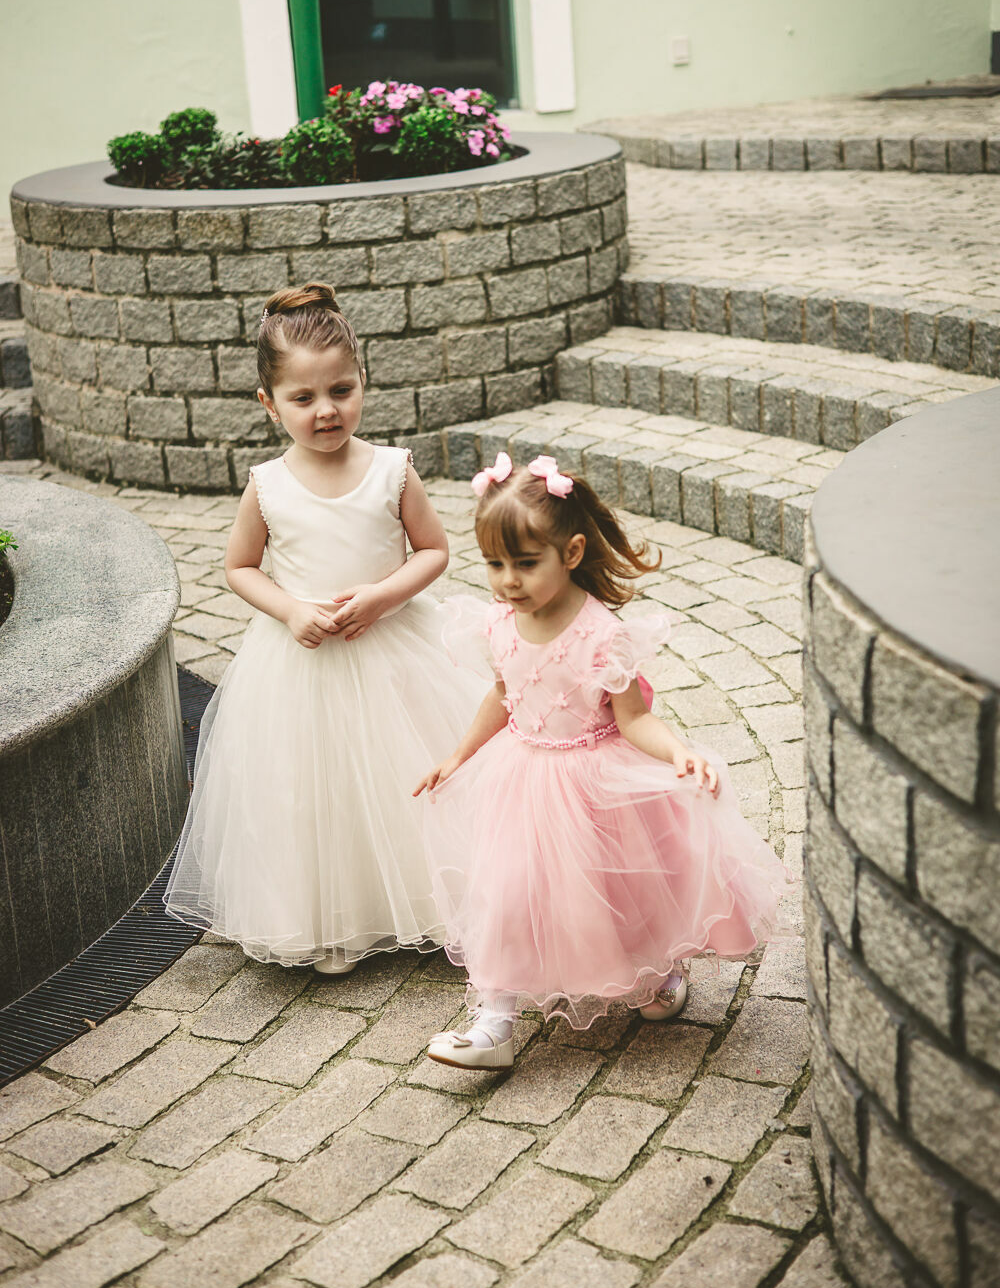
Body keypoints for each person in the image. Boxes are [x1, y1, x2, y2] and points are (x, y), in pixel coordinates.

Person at [414, 452, 786, 1067]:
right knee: (506, 892)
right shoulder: (499, 625)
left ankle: (654, 973)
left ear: (573, 552)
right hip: (521, 779)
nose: (508, 580)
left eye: (526, 564)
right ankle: (495, 1023)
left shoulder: (602, 635)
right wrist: (456, 756)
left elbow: (635, 718)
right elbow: (501, 698)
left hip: (594, 783)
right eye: (494, 564)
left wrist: (680, 754)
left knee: (621, 891)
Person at [164, 284, 487, 973]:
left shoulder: (392, 471)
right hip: (301, 664)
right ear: (269, 404)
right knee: (318, 792)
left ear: (363, 380)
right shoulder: (268, 485)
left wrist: (382, 594)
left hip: (396, 647)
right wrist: (290, 609)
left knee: (405, 774)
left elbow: (433, 550)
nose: (326, 410)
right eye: (303, 399)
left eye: (341, 390)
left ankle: (433, 897)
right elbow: (240, 566)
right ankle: (335, 918)